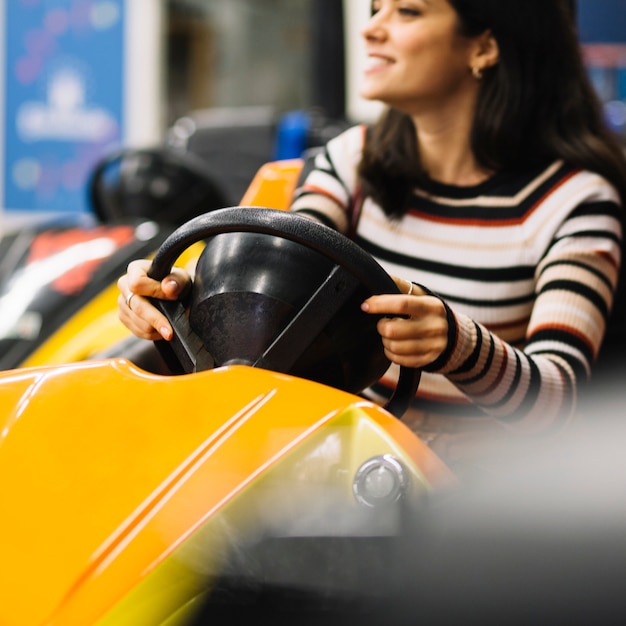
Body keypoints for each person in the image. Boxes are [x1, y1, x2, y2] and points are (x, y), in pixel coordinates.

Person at [118, 0, 626, 469]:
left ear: (484, 47)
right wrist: (177, 294)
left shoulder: (576, 201)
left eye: (406, 11)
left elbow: (558, 399)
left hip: (477, 498)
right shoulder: (351, 159)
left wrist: (457, 344)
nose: (371, 29)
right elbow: (282, 278)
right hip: (338, 462)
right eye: (375, 8)